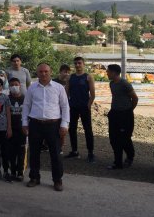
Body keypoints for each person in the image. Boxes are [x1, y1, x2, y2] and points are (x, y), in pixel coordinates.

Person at [22, 63, 70, 192]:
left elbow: (65, 106)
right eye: (41, 71)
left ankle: (57, 180)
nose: (43, 74)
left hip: (53, 125)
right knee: (34, 153)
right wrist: (24, 123)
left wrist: (64, 124)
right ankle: (34, 177)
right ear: (37, 73)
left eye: (46, 71)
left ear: (51, 72)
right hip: (35, 124)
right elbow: (26, 106)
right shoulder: (32, 88)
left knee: (55, 154)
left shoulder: (59, 88)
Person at [106, 64, 138, 170]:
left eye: (108, 71)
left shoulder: (124, 84)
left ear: (114, 72)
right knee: (113, 139)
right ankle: (117, 163)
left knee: (124, 139)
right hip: (114, 114)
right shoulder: (111, 84)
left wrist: (129, 110)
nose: (107, 73)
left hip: (125, 115)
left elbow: (135, 98)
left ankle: (130, 156)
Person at [66, 57, 96, 162]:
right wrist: (67, 104)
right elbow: (66, 92)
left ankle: (90, 152)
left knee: (87, 130)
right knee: (72, 129)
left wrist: (89, 105)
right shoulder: (71, 77)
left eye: (79, 63)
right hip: (73, 107)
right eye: (76, 63)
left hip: (84, 107)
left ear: (83, 64)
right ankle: (74, 151)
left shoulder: (88, 77)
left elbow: (92, 94)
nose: (77, 65)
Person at [8, 78, 26, 182]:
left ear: (20, 85)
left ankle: (20, 172)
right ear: (9, 87)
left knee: (21, 152)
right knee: (11, 152)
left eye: (16, 84)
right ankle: (13, 172)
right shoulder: (7, 99)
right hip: (11, 129)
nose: (14, 86)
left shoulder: (25, 99)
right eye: (12, 85)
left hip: (22, 129)